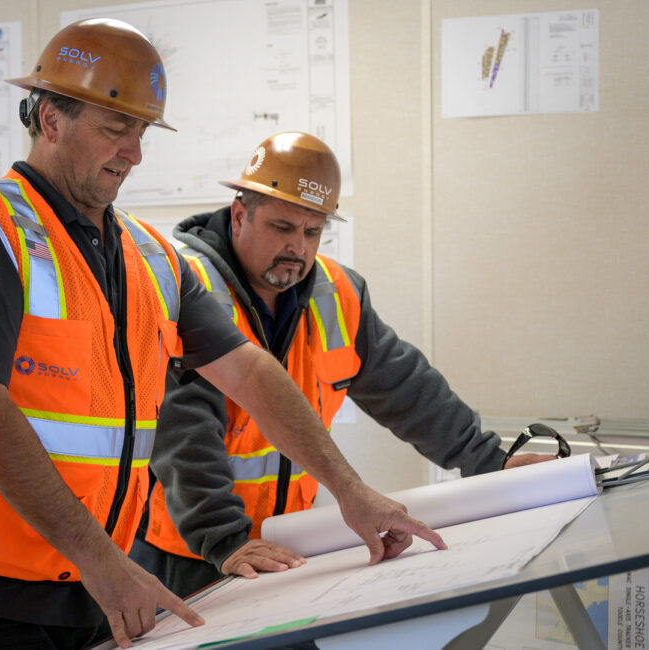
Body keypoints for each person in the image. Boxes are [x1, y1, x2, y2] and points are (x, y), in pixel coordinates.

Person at [0, 18, 442, 650]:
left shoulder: (151, 257)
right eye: (115, 128)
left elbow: (250, 372)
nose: (134, 153)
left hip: (94, 592)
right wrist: (102, 560)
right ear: (50, 121)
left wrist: (350, 491)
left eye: (142, 132)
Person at [129, 132, 557, 599]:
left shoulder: (336, 293)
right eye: (282, 227)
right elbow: (184, 432)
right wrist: (224, 539)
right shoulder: (188, 289)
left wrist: (490, 462)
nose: (297, 247)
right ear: (239, 215)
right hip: (189, 552)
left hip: (286, 544)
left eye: (312, 232)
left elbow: (409, 391)